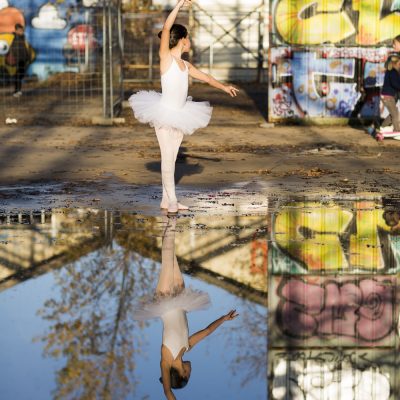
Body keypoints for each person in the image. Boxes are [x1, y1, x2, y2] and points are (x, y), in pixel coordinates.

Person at [128, 0, 239, 213]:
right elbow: (167, 28)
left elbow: (206, 77)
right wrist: (179, 5)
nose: (190, 42)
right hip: (164, 114)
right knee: (167, 158)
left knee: (173, 156)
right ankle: (172, 201)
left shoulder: (186, 65)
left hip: (181, 114)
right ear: (182, 40)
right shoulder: (166, 58)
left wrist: (224, 87)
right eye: (188, 38)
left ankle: (165, 199)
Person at [133, 216, 239, 400]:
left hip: (165, 300)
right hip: (181, 300)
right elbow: (206, 331)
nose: (191, 371)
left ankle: (169, 218)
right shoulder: (187, 347)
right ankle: (168, 218)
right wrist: (223, 319)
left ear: (183, 375)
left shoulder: (166, 360)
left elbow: (167, 391)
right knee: (172, 257)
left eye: (189, 375)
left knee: (167, 259)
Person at [377, 55, 400, 139]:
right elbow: (395, 84)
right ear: (395, 63)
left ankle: (382, 127)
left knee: (394, 113)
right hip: (388, 97)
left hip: (387, 96)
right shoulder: (393, 72)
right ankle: (397, 131)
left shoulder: (390, 71)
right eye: (399, 63)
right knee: (395, 114)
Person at [9, 24, 31, 97]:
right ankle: (16, 91)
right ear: (16, 31)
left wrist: (27, 56)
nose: (22, 32)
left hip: (23, 59)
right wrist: (15, 58)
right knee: (18, 75)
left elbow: (24, 48)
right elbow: (13, 49)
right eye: (20, 30)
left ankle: (18, 90)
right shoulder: (15, 38)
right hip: (18, 59)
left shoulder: (22, 38)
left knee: (20, 75)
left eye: (22, 30)